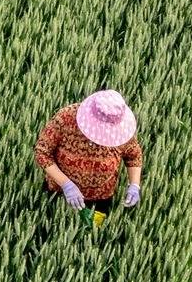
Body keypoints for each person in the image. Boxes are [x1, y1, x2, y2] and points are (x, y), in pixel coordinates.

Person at [35, 88, 143, 224]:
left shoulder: (121, 129)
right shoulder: (66, 117)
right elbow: (42, 152)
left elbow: (134, 156)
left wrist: (134, 185)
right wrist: (66, 185)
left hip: (101, 197)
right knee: (55, 223)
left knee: (93, 230)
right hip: (59, 191)